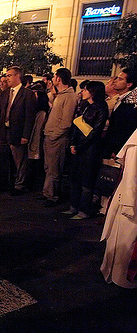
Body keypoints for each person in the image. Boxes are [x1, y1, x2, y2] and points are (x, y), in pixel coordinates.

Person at [63, 81, 108, 219]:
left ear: (93, 91)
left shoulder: (101, 107)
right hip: (78, 147)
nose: (82, 92)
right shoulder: (84, 105)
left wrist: (81, 146)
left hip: (90, 149)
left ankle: (84, 210)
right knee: (74, 178)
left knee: (86, 180)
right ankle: (73, 206)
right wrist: (72, 144)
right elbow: (76, 126)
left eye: (86, 90)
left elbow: (96, 131)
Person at [100, 128, 137, 289]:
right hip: (131, 199)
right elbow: (131, 176)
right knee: (125, 239)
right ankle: (120, 277)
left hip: (131, 198)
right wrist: (129, 203)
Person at [0, 66, 36, 195]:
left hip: (17, 131)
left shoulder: (27, 94)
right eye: (6, 75)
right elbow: (0, 112)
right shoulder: (5, 93)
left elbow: (29, 117)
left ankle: (20, 185)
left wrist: (25, 135)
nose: (7, 78)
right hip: (3, 131)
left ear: (17, 76)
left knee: (19, 160)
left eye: (9, 75)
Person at [41, 68, 78, 207]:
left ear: (59, 79)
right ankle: (47, 192)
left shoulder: (69, 97)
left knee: (55, 168)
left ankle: (53, 196)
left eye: (55, 76)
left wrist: (54, 135)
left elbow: (66, 122)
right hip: (50, 135)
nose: (53, 79)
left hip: (57, 138)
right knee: (49, 167)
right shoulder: (61, 95)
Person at [103, 68, 137, 159]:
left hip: (119, 151)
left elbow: (128, 129)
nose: (115, 81)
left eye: (120, 79)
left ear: (129, 84)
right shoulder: (121, 99)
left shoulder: (132, 104)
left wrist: (117, 149)